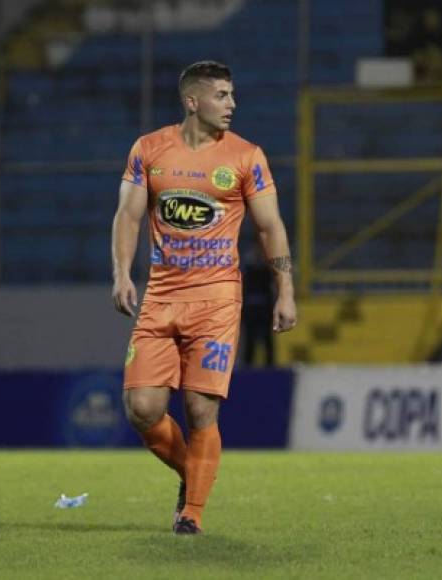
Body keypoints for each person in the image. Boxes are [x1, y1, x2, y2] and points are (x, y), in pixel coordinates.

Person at [111, 60, 297, 535]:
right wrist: (121, 274)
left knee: (200, 409)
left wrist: (285, 291)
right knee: (143, 410)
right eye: (222, 95)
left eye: (232, 95)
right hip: (160, 297)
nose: (232, 104)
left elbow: (270, 226)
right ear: (192, 102)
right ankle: (190, 472)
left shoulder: (246, 156)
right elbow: (129, 215)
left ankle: (191, 514)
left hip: (216, 300)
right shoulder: (148, 149)